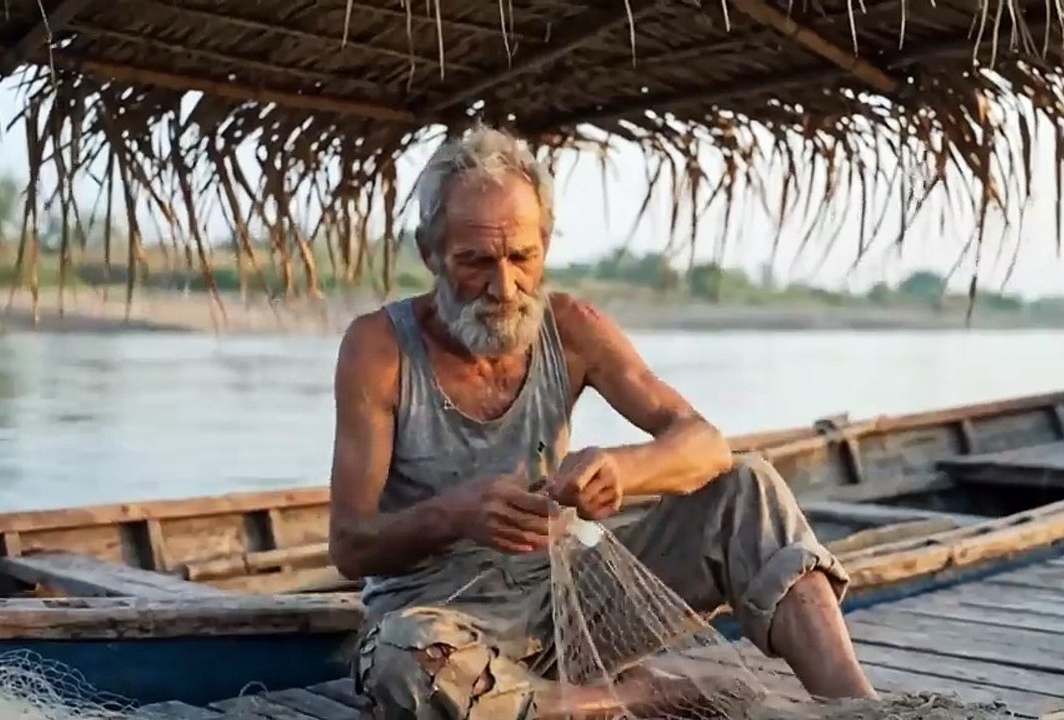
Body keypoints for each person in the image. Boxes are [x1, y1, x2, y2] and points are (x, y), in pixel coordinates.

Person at [327, 126, 878, 719]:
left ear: (545, 244)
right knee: (401, 659)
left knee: (750, 487)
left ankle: (862, 709)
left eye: (522, 258)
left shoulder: (573, 327)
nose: (504, 287)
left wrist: (623, 470)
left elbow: (705, 444)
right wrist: (455, 514)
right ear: (429, 253)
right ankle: (634, 697)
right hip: (443, 630)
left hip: (574, 613)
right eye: (475, 262)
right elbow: (351, 547)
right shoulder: (379, 349)